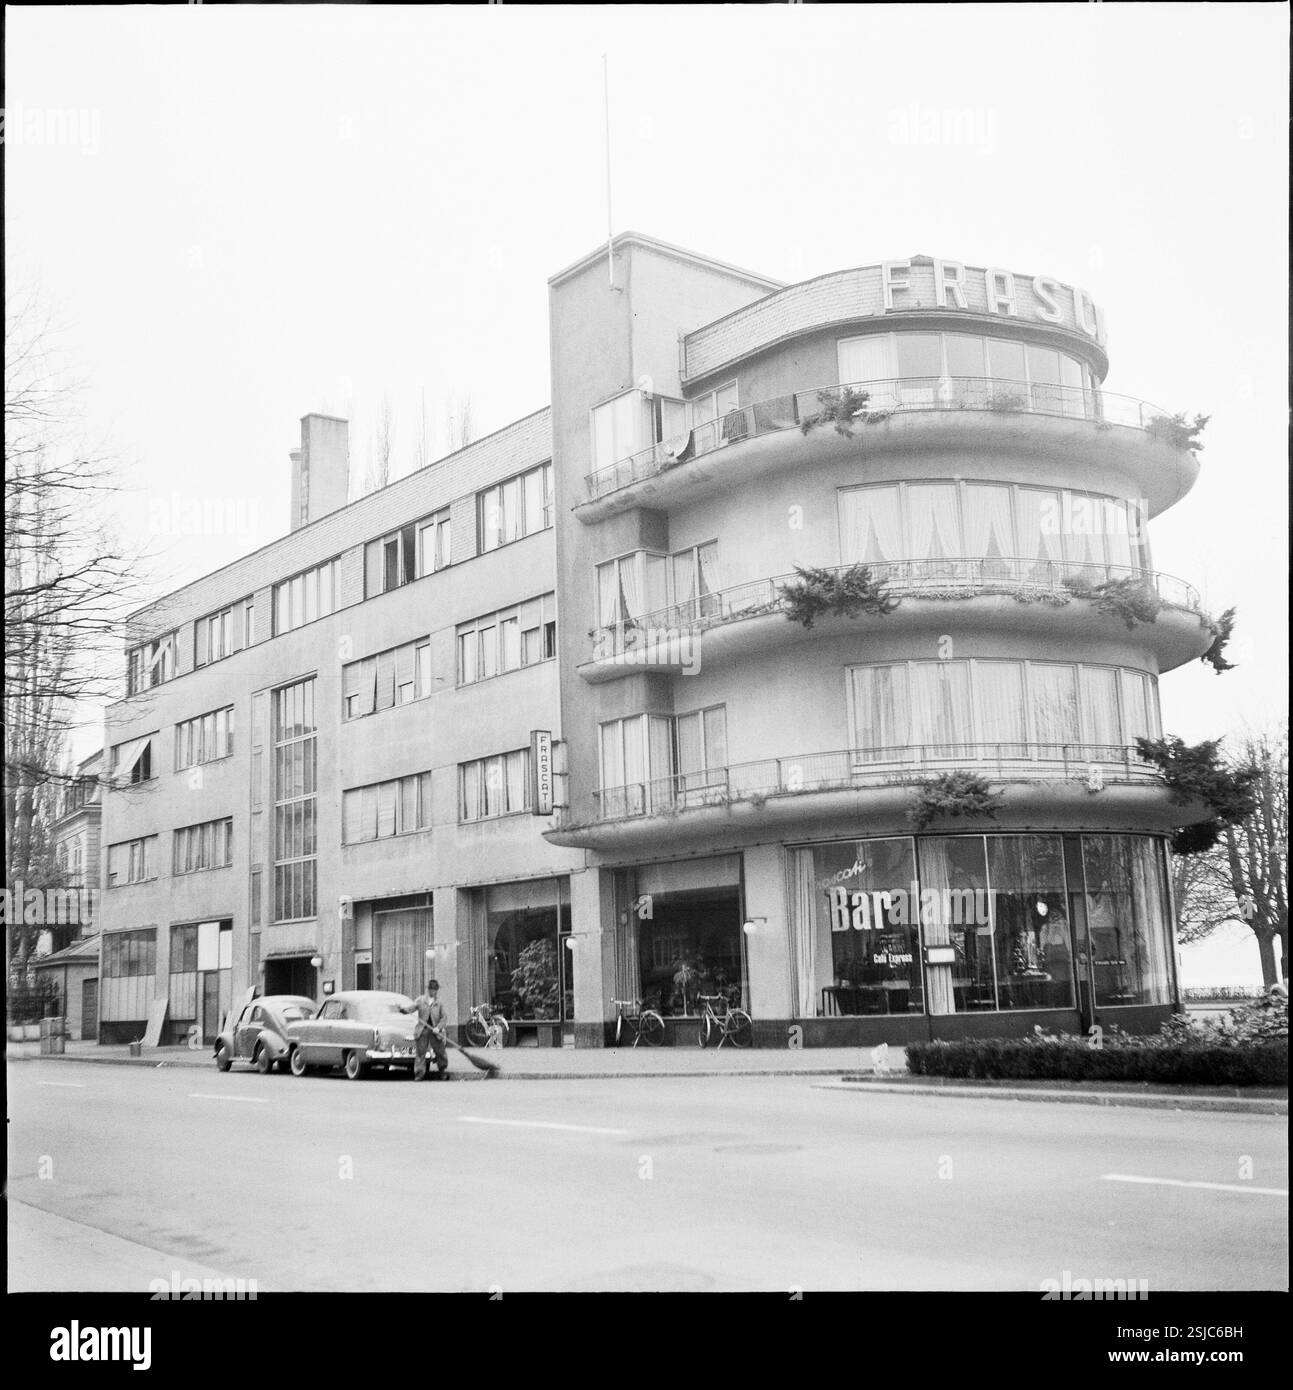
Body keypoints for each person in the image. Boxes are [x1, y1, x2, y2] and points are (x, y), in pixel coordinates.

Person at [401, 979, 449, 1081]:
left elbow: (444, 1018)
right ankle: (419, 1074)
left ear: (437, 990)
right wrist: (403, 1010)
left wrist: (438, 1027)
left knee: (440, 1052)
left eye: (435, 990)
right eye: (431, 989)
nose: (433, 992)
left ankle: (442, 1071)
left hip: (435, 1031)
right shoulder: (421, 1000)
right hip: (423, 1030)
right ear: (428, 989)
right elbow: (411, 1008)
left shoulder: (439, 1003)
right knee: (420, 1053)